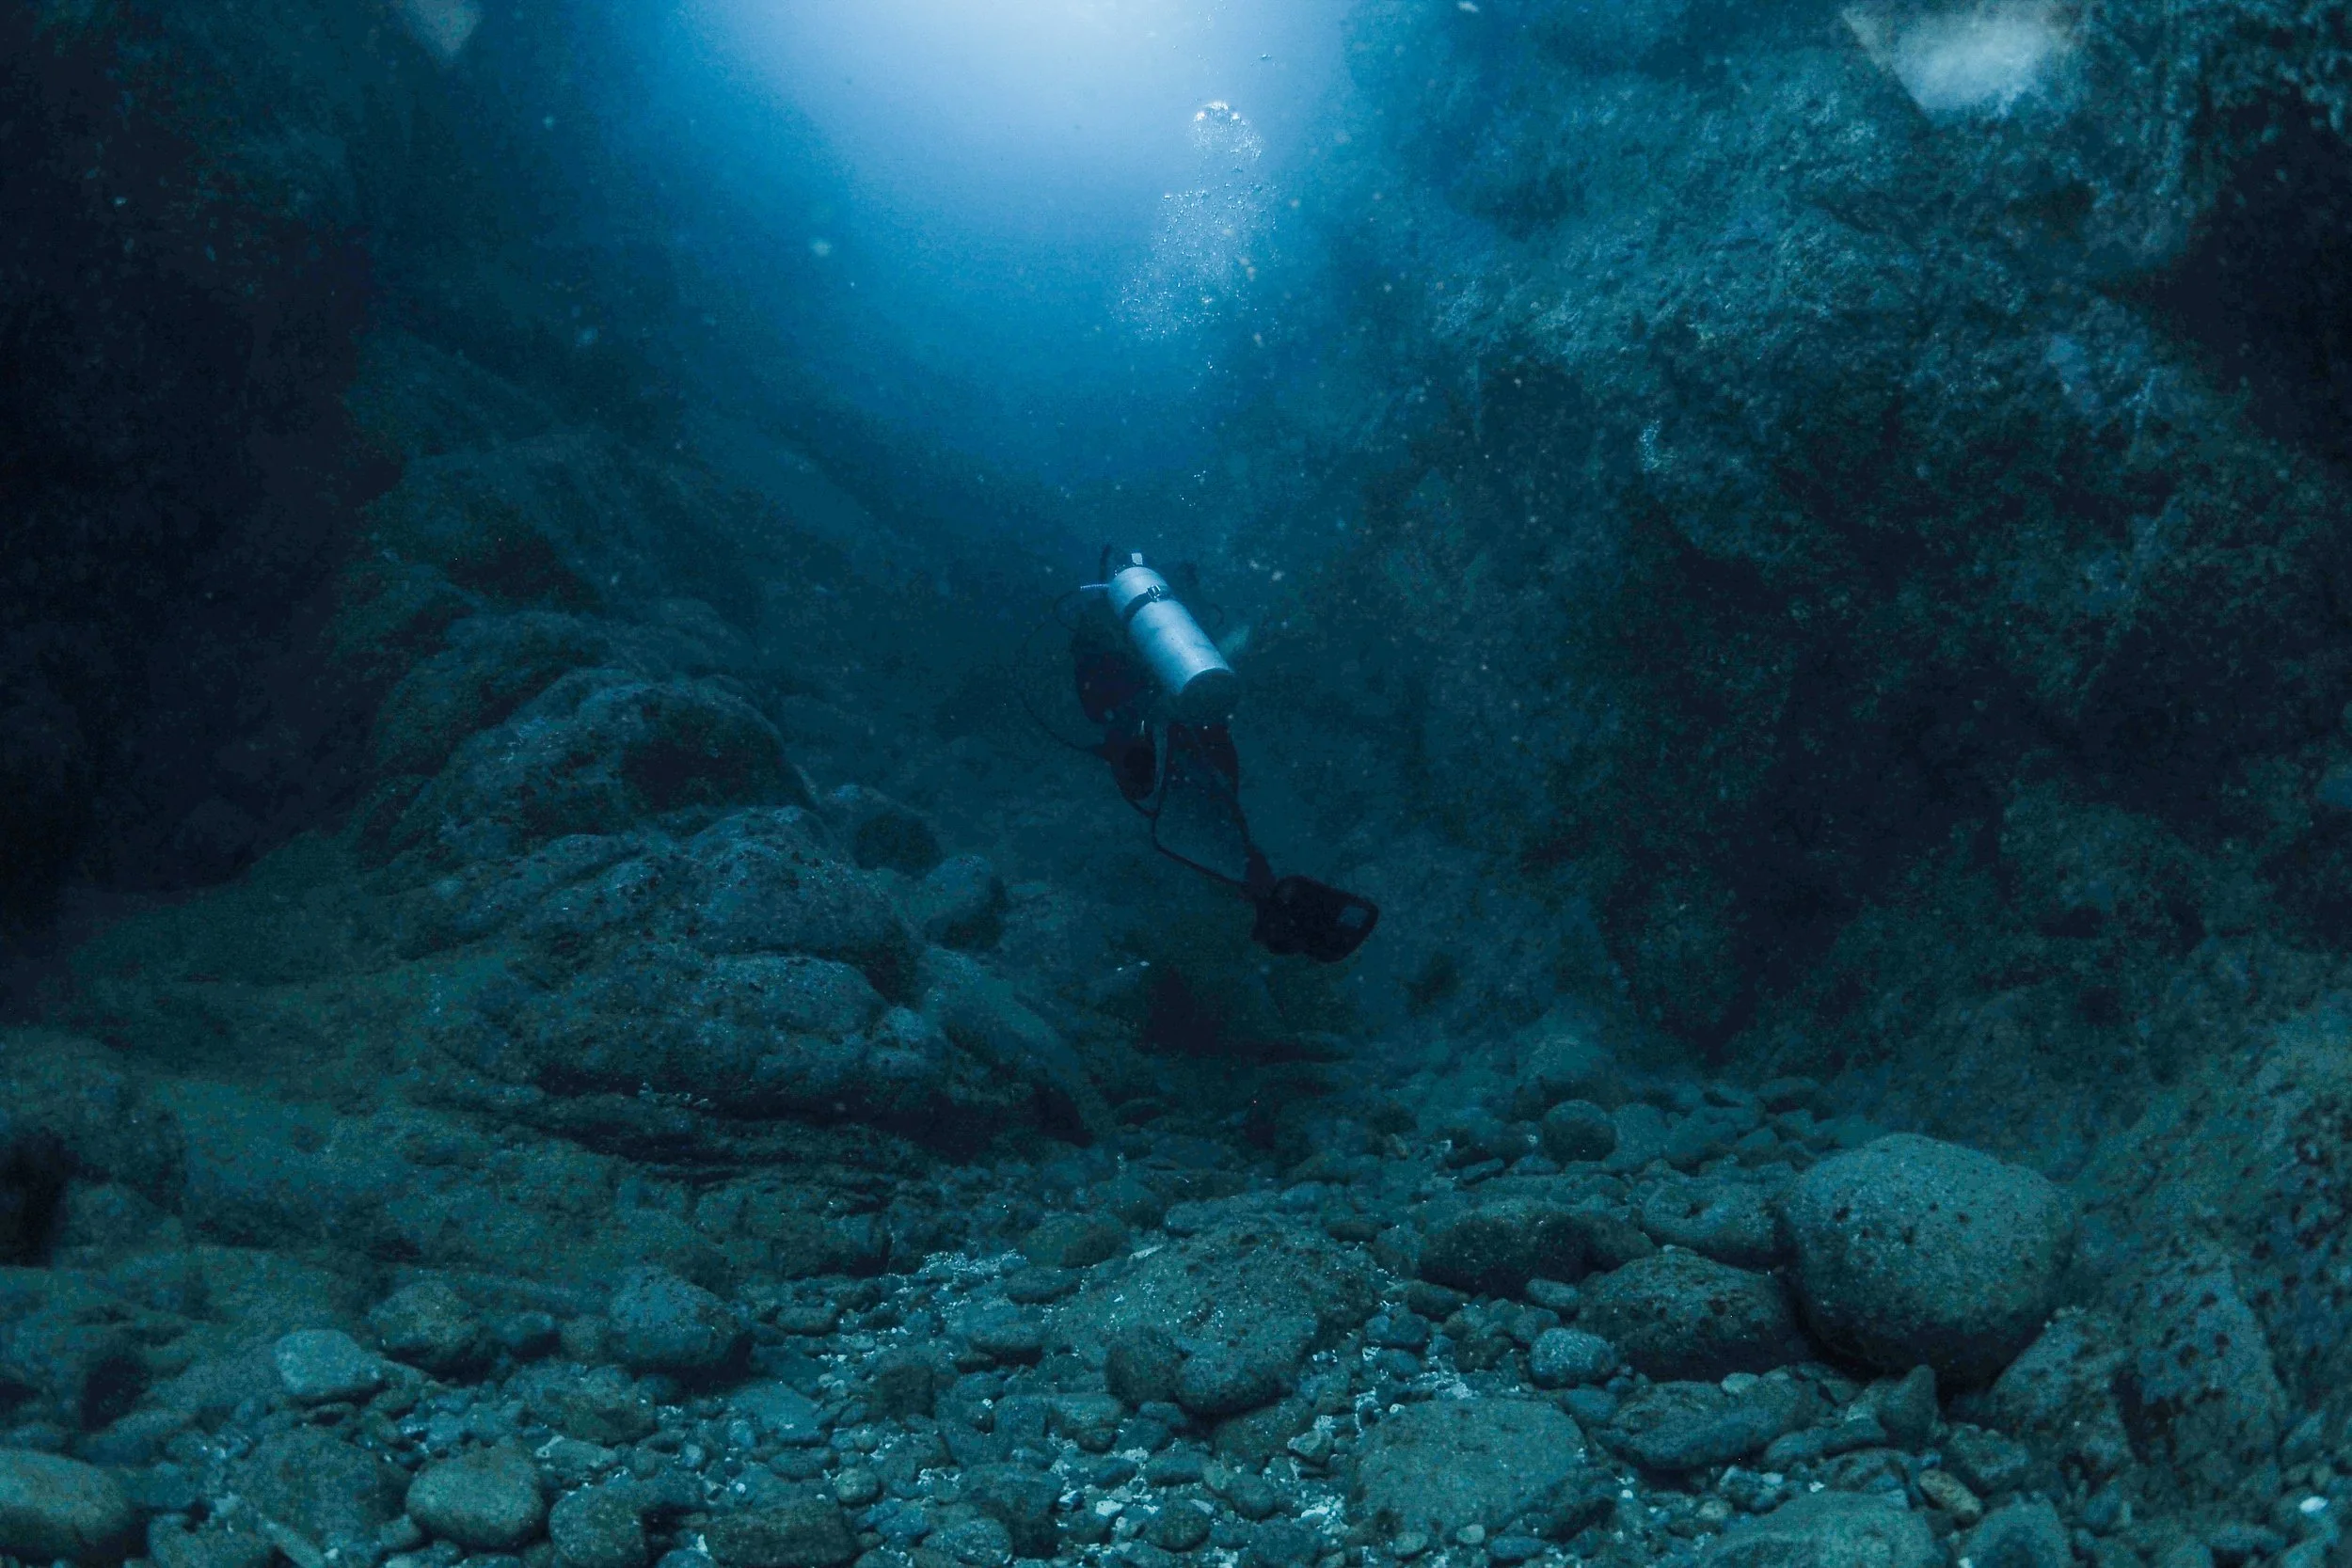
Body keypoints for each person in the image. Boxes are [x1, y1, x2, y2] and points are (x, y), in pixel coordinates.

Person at [1067, 549, 1379, 963]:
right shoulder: (1158, 656)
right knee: (1225, 824)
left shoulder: (1112, 662)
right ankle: (1276, 900)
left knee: (1221, 825)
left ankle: (1275, 899)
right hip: (1189, 743)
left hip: (1175, 749)